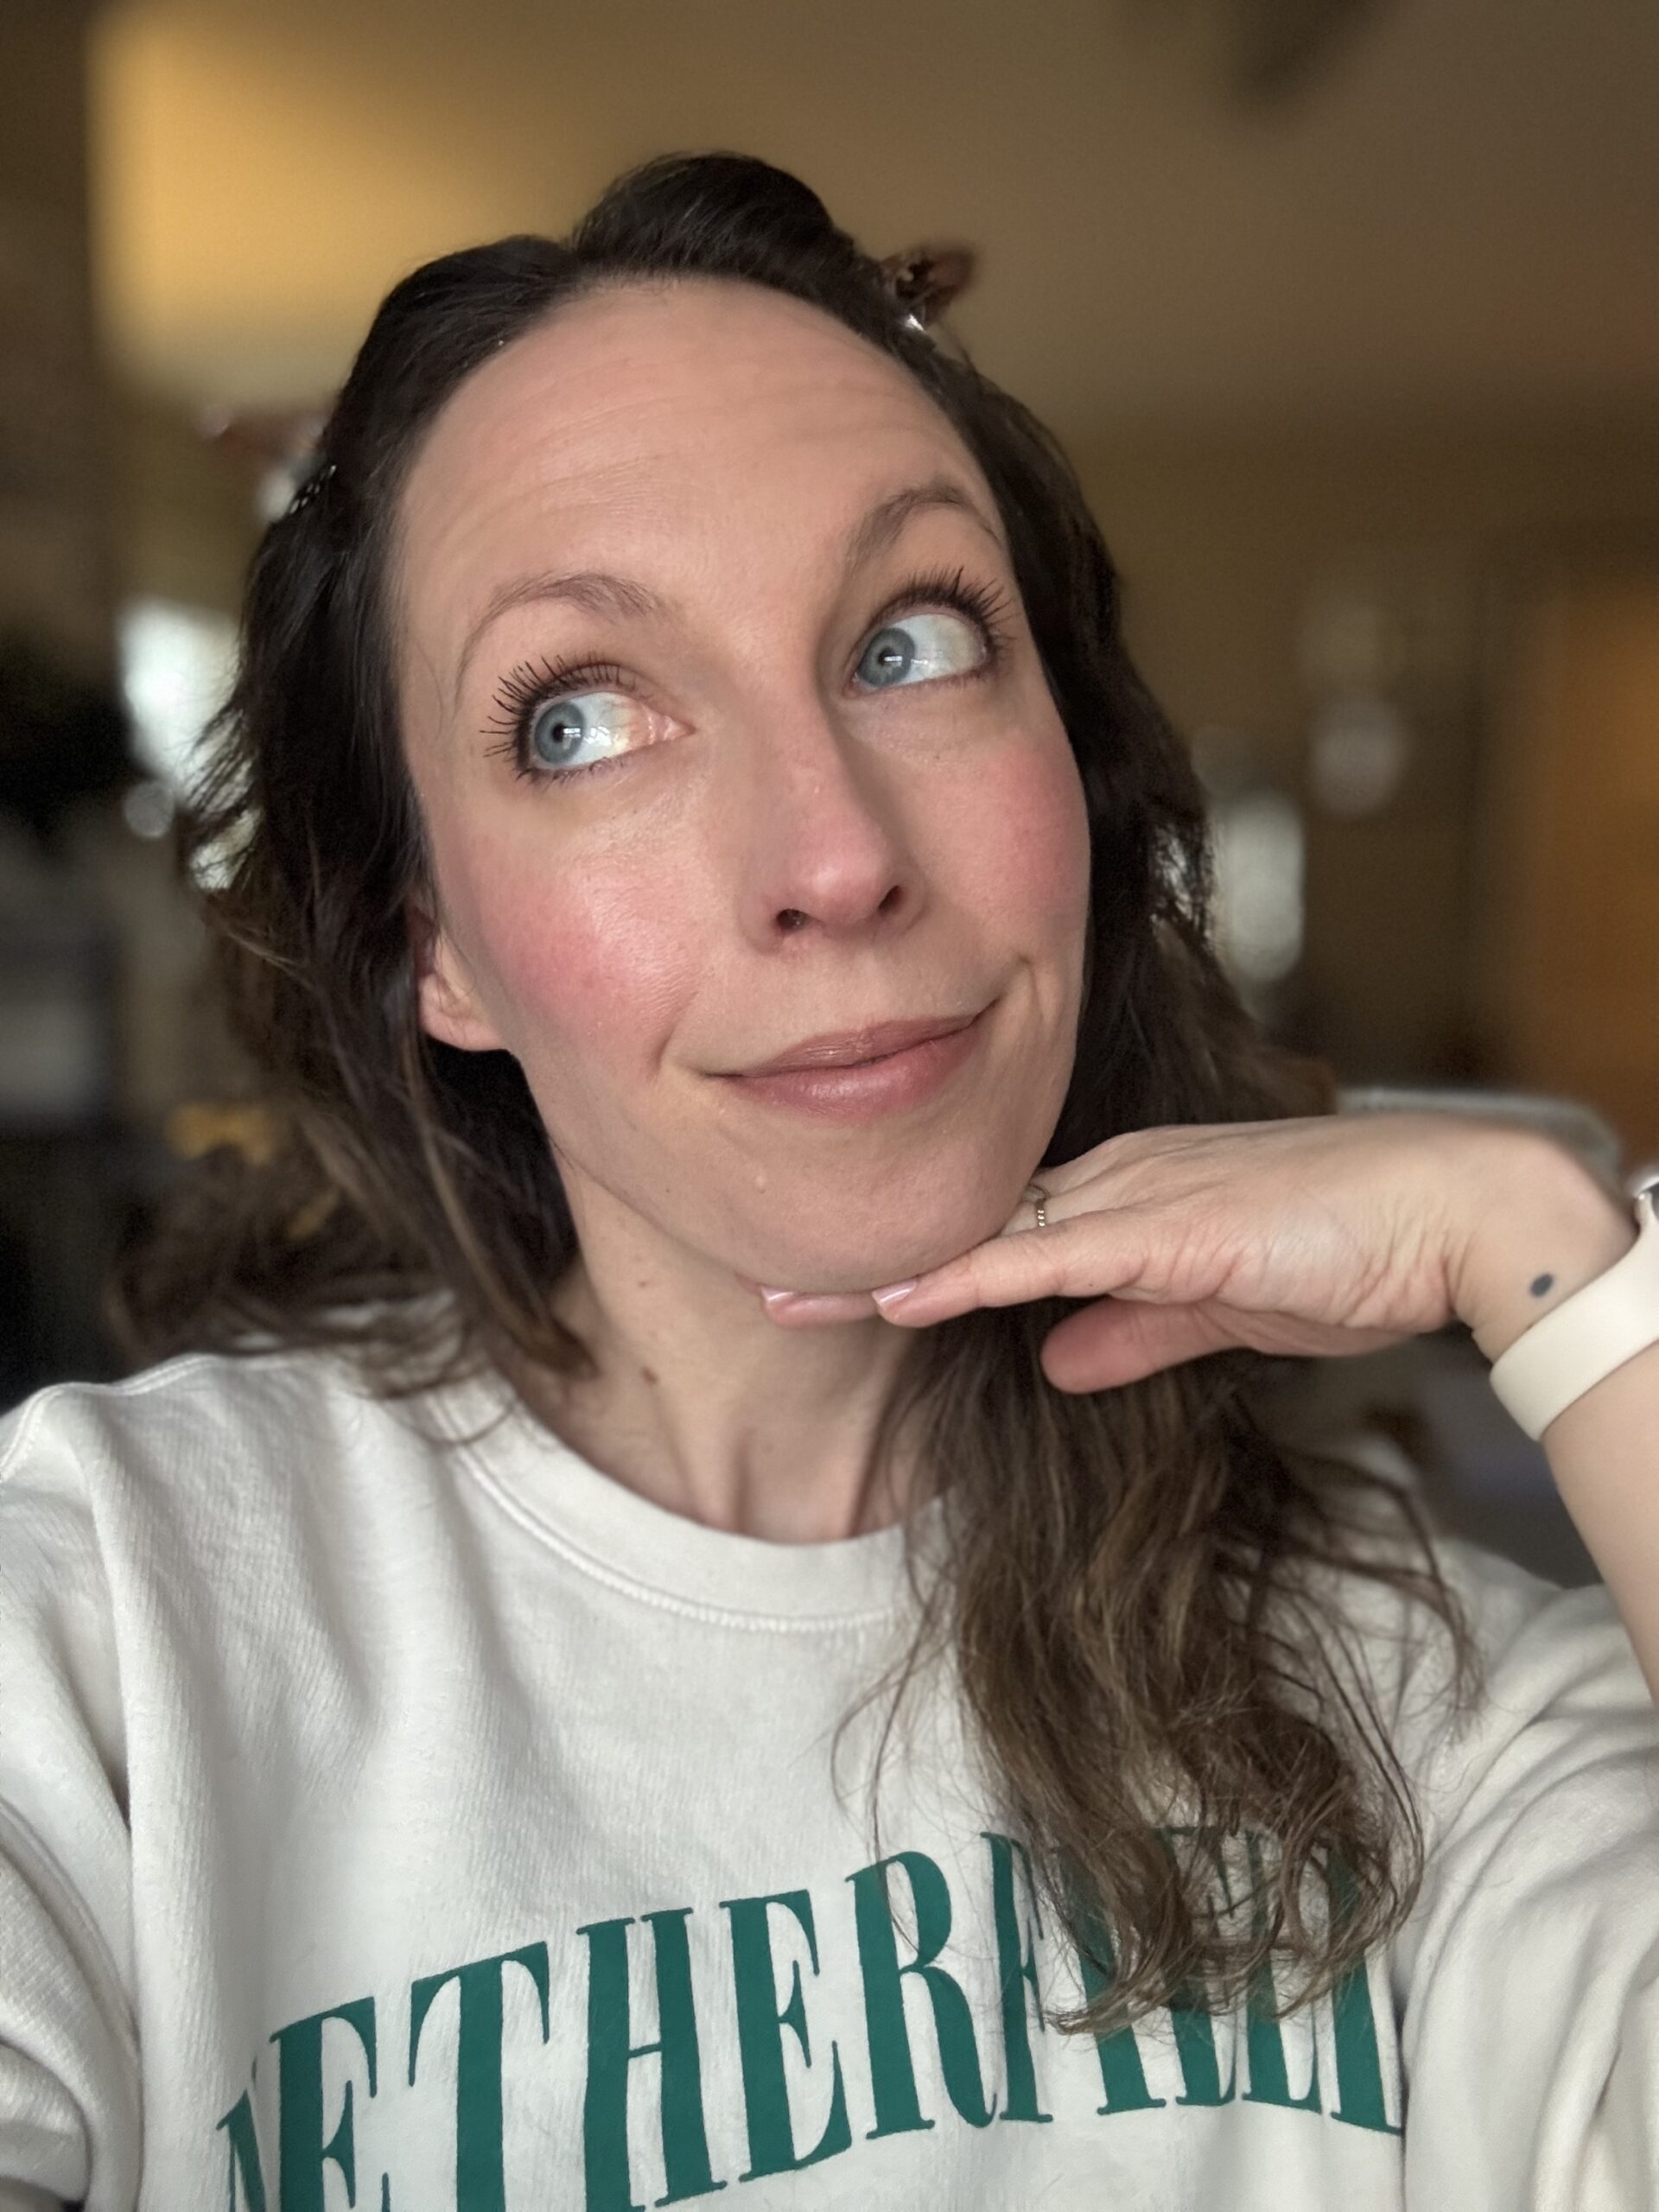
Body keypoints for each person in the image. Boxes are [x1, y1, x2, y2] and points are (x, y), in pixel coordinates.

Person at [2, 151, 1656, 2212]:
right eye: (582, 717)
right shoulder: (106, 1629)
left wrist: (1564, 1258)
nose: (836, 854)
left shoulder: (1417, 1684)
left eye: (911, 641)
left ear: (1080, 761)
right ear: (435, 941)